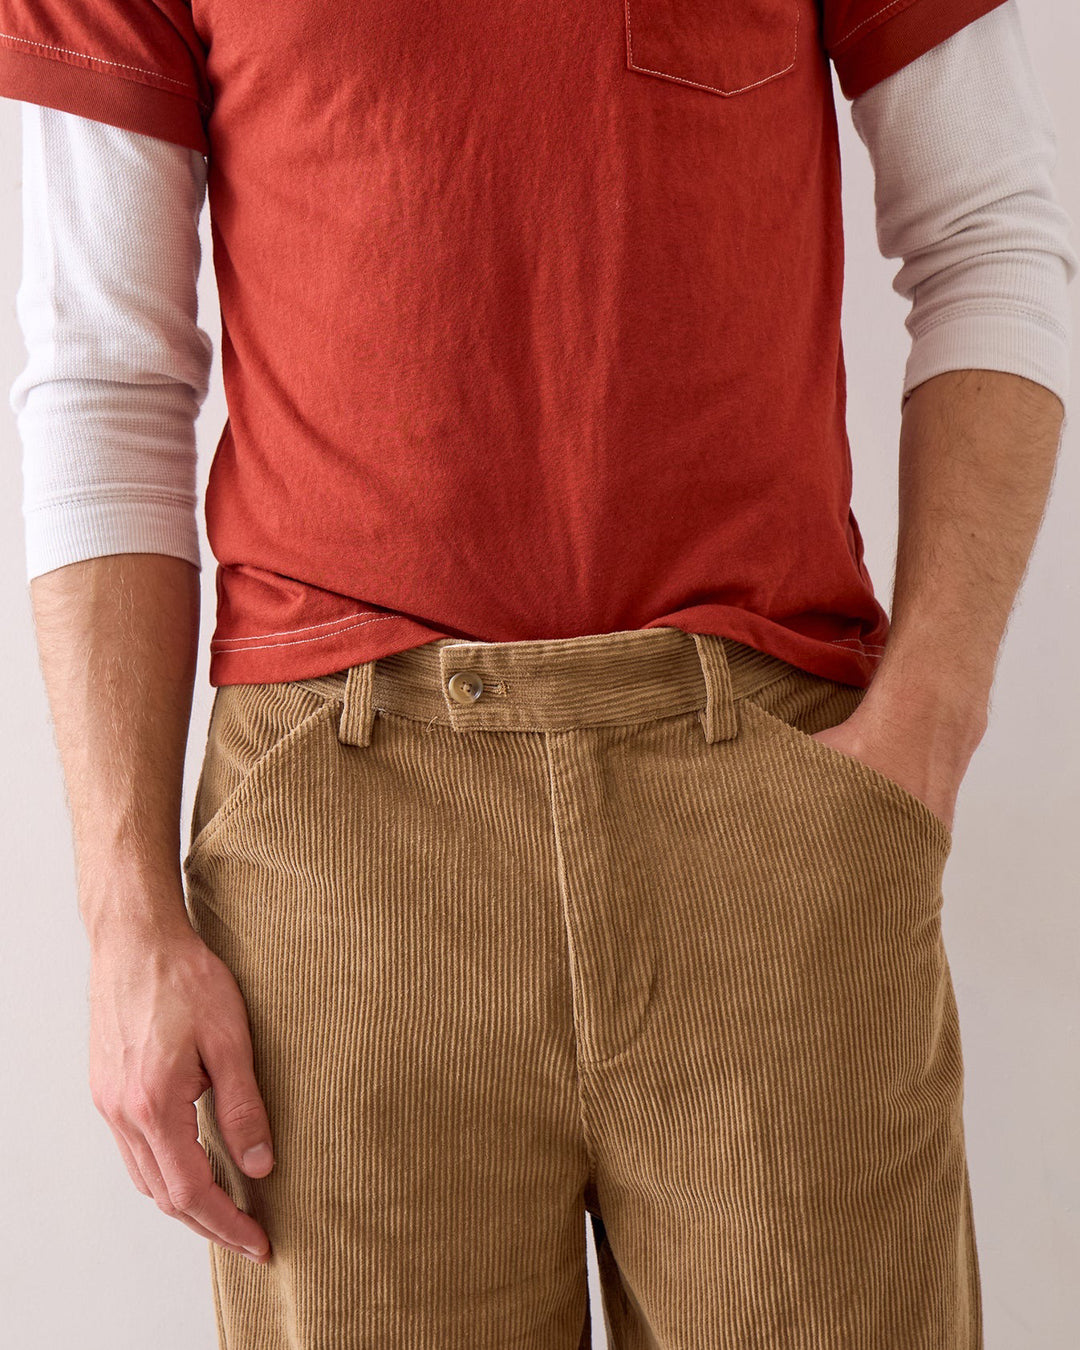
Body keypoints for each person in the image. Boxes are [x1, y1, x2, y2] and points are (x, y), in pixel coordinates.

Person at [1, 0, 1074, 1344]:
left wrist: (929, 727)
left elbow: (990, 229)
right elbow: (101, 372)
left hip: (770, 816)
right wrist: (125, 921)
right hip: (340, 857)